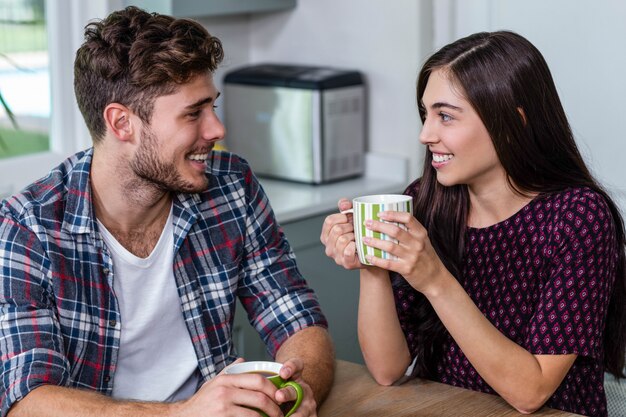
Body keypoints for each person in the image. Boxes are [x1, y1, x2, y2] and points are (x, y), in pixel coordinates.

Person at [0, 6, 334, 417]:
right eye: (194, 113)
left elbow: (296, 316)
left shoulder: (231, 185)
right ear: (122, 123)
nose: (216, 129)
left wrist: (300, 390)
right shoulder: (28, 226)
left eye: (213, 106)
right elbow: (26, 400)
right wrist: (183, 414)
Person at [320, 31, 626, 417]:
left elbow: (530, 392)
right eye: (426, 113)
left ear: (512, 122)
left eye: (445, 116)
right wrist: (372, 265)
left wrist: (435, 280)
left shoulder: (578, 217)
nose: (425, 134)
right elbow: (387, 370)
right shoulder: (426, 201)